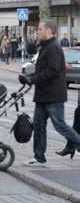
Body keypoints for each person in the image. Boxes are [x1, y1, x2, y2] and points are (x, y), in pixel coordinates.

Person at [19, 20, 80, 166]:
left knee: (60, 125)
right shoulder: (45, 46)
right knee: (39, 126)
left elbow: (52, 71)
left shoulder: (53, 47)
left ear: (49, 31)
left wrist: (32, 79)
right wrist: (29, 77)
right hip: (43, 95)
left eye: (40, 29)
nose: (38, 31)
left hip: (53, 95)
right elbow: (37, 61)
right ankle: (39, 156)